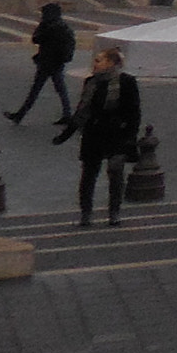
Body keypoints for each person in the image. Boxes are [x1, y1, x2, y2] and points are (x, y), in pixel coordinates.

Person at [55, 43, 140, 226]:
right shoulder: (91, 82)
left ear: (111, 62)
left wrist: (129, 139)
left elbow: (134, 114)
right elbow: (82, 112)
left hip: (117, 134)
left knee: (115, 173)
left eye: (98, 60)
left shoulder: (126, 82)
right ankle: (86, 213)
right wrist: (65, 135)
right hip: (94, 133)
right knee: (88, 175)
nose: (95, 63)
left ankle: (114, 212)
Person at [6, 2, 76, 125]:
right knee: (59, 89)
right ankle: (67, 114)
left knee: (37, 90)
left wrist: (43, 29)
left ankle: (20, 115)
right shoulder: (63, 27)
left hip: (47, 62)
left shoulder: (50, 26)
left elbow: (36, 39)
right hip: (55, 63)